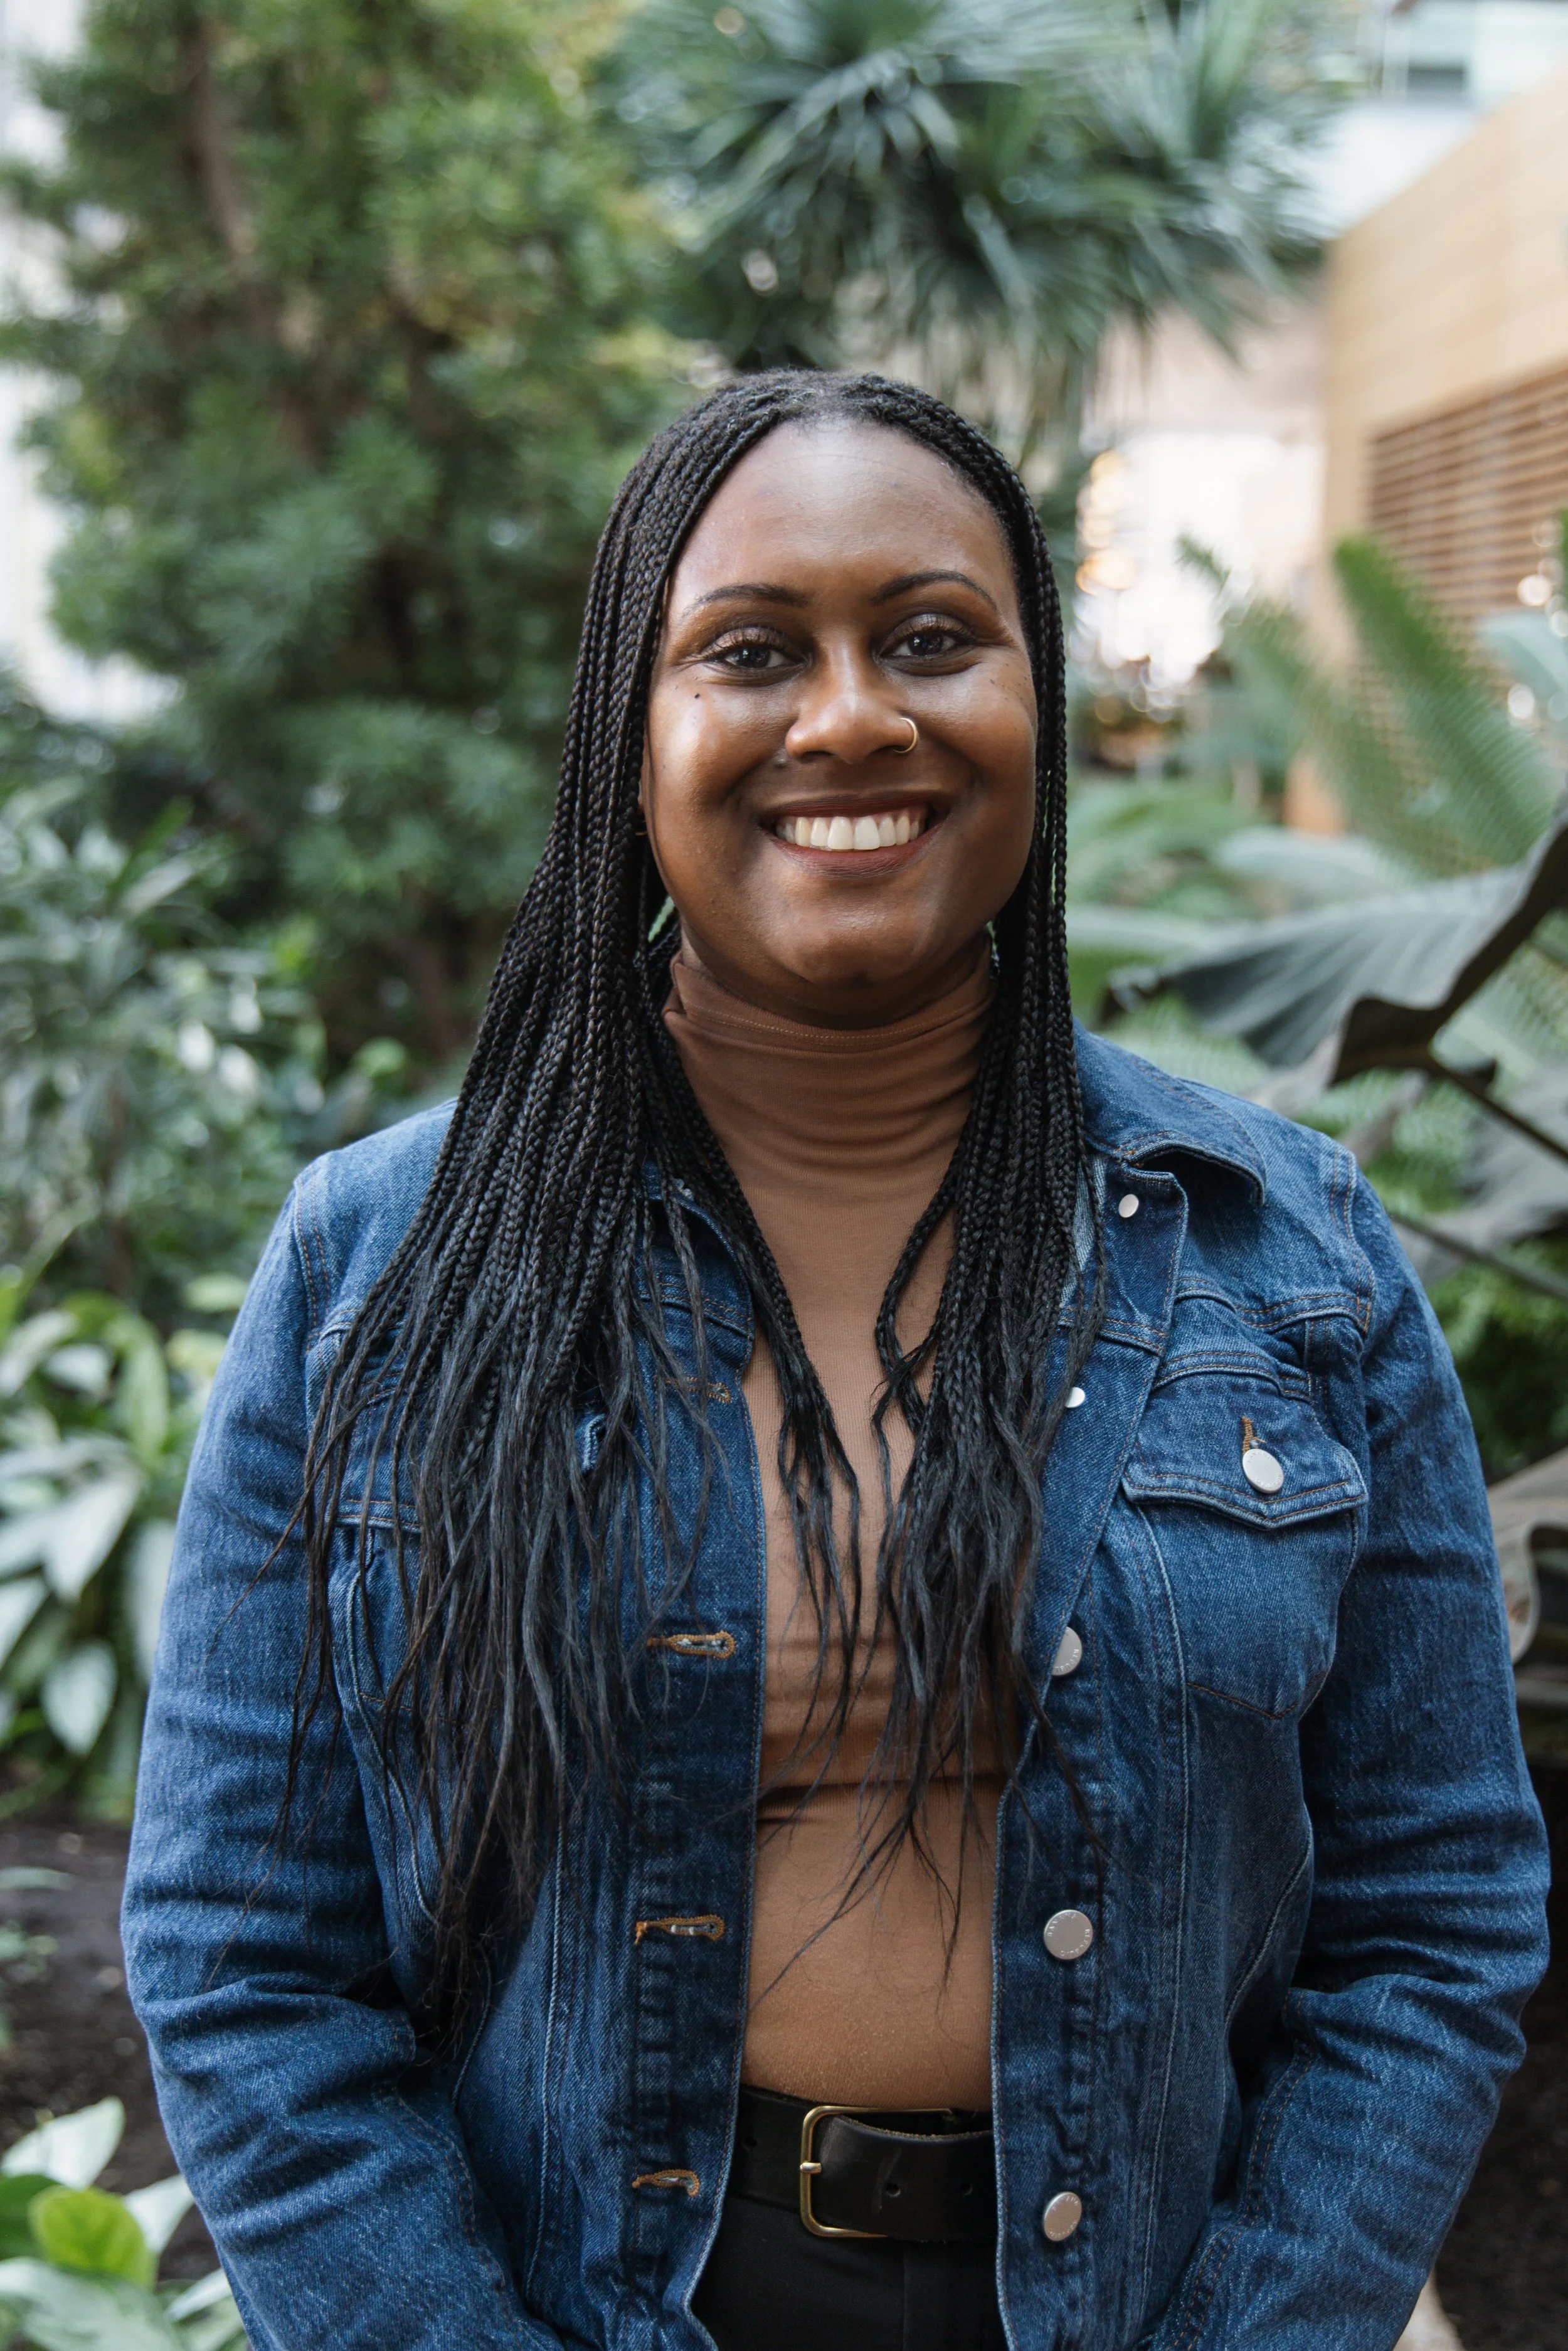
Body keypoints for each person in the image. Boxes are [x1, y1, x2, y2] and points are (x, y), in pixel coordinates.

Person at [122, 372, 1549, 2351]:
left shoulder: (1284, 1252)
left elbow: (1432, 1911)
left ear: (1036, 707)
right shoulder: (382, 1269)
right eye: (752, 652)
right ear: (635, 729)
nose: (854, 713)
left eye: (934, 638)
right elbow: (243, 1956)